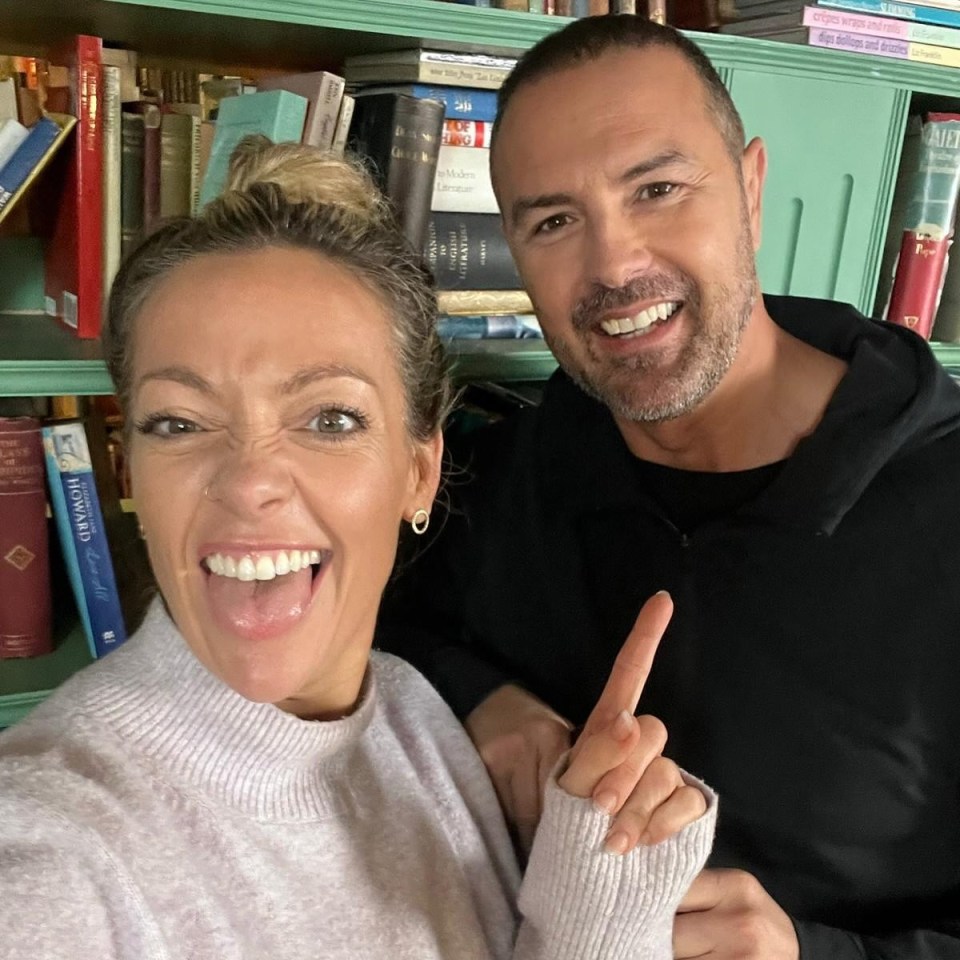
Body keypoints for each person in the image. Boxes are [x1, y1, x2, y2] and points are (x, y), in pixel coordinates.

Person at [0, 136, 715, 960]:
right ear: (133, 473)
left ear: (419, 471)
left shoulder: (415, 718)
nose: (248, 482)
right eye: (181, 424)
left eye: (329, 419)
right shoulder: (53, 845)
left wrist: (598, 901)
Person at [377, 14, 960, 960]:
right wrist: (484, 700)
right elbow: (378, 628)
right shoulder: (515, 465)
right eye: (555, 220)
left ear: (752, 189)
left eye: (657, 188)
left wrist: (813, 955)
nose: (613, 265)